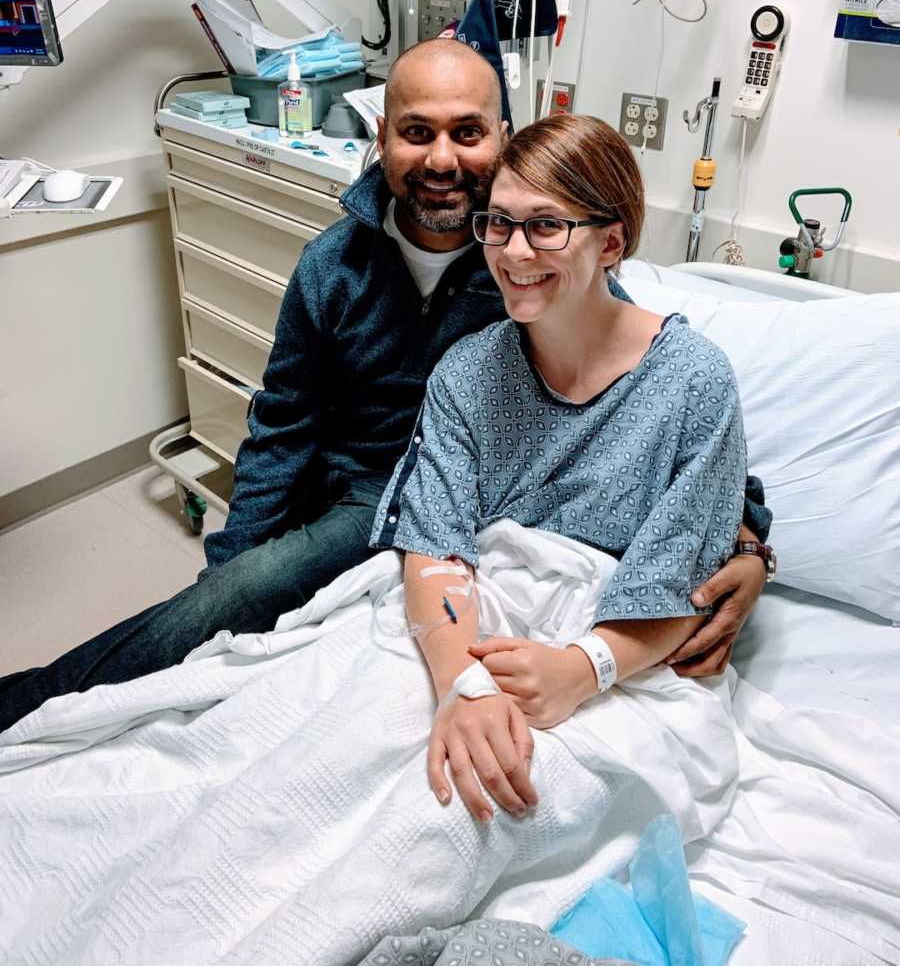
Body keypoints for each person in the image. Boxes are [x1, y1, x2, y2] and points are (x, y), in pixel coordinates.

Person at [0, 40, 769, 733]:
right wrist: (233, 568)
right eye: (417, 131)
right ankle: (32, 706)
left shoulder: (529, 256)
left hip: (467, 492)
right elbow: (281, 427)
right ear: (381, 140)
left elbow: (647, 394)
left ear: (503, 138)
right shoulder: (334, 268)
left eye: (467, 132)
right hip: (361, 485)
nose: (441, 159)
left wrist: (748, 542)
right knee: (222, 605)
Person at [372, 112, 750, 821]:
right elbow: (434, 542)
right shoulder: (470, 371)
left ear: (611, 241)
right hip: (469, 627)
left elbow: (686, 579)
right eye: (500, 224)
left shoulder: (693, 384)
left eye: (546, 226)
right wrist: (463, 687)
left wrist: (585, 670)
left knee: (458, 813)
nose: (514, 253)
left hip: (617, 645)